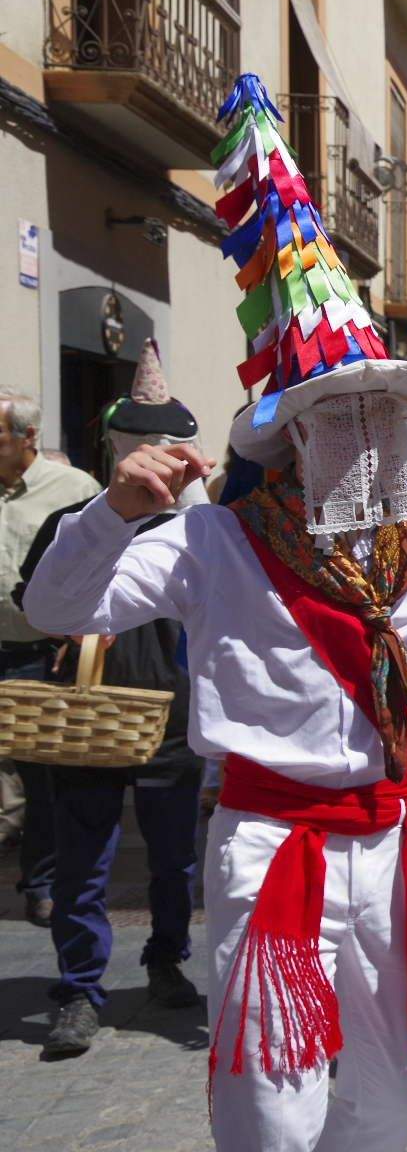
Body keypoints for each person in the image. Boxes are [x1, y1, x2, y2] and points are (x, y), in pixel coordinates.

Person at [23, 72, 407, 1151]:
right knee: (270, 1096)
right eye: (337, 415)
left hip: (399, 845)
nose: (366, 433)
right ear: (292, 435)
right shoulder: (213, 541)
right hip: (270, 845)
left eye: (385, 414)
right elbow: (55, 603)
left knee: (392, 1089)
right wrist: (114, 511)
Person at [14, 346, 203, 1058]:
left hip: (173, 716)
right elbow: (35, 600)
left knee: (174, 859)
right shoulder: (76, 519)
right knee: (83, 857)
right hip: (87, 710)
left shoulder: (199, 530)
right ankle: (80, 987)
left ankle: (166, 959)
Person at [0, 383, 102, 927]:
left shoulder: (72, 488)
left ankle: (40, 883)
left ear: (27, 436)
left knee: (41, 781)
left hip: (40, 656)